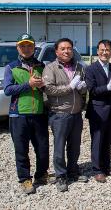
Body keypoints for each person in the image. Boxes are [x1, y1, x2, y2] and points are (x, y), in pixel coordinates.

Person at [3, 33, 49, 194]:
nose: (26, 49)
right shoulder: (11, 67)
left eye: (29, 46)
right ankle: (25, 179)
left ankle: (41, 174)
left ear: (34, 48)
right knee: (21, 149)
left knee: (43, 148)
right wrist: (28, 84)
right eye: (23, 46)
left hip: (39, 113)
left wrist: (43, 85)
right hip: (18, 115)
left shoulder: (41, 66)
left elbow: (46, 88)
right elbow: (8, 90)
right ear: (18, 48)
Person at [43, 38, 88, 192]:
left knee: (75, 146)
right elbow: (48, 89)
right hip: (59, 113)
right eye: (63, 48)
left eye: (69, 48)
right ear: (57, 51)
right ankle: (60, 175)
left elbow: (82, 89)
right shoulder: (51, 68)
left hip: (76, 113)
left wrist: (82, 88)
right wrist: (69, 87)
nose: (66, 51)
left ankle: (73, 171)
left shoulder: (78, 67)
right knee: (59, 146)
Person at [85, 40, 111, 182]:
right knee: (97, 140)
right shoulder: (91, 69)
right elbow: (92, 90)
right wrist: (108, 87)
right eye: (102, 50)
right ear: (97, 51)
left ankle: (106, 166)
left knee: (107, 140)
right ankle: (97, 169)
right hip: (97, 110)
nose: (104, 52)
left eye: (107, 50)